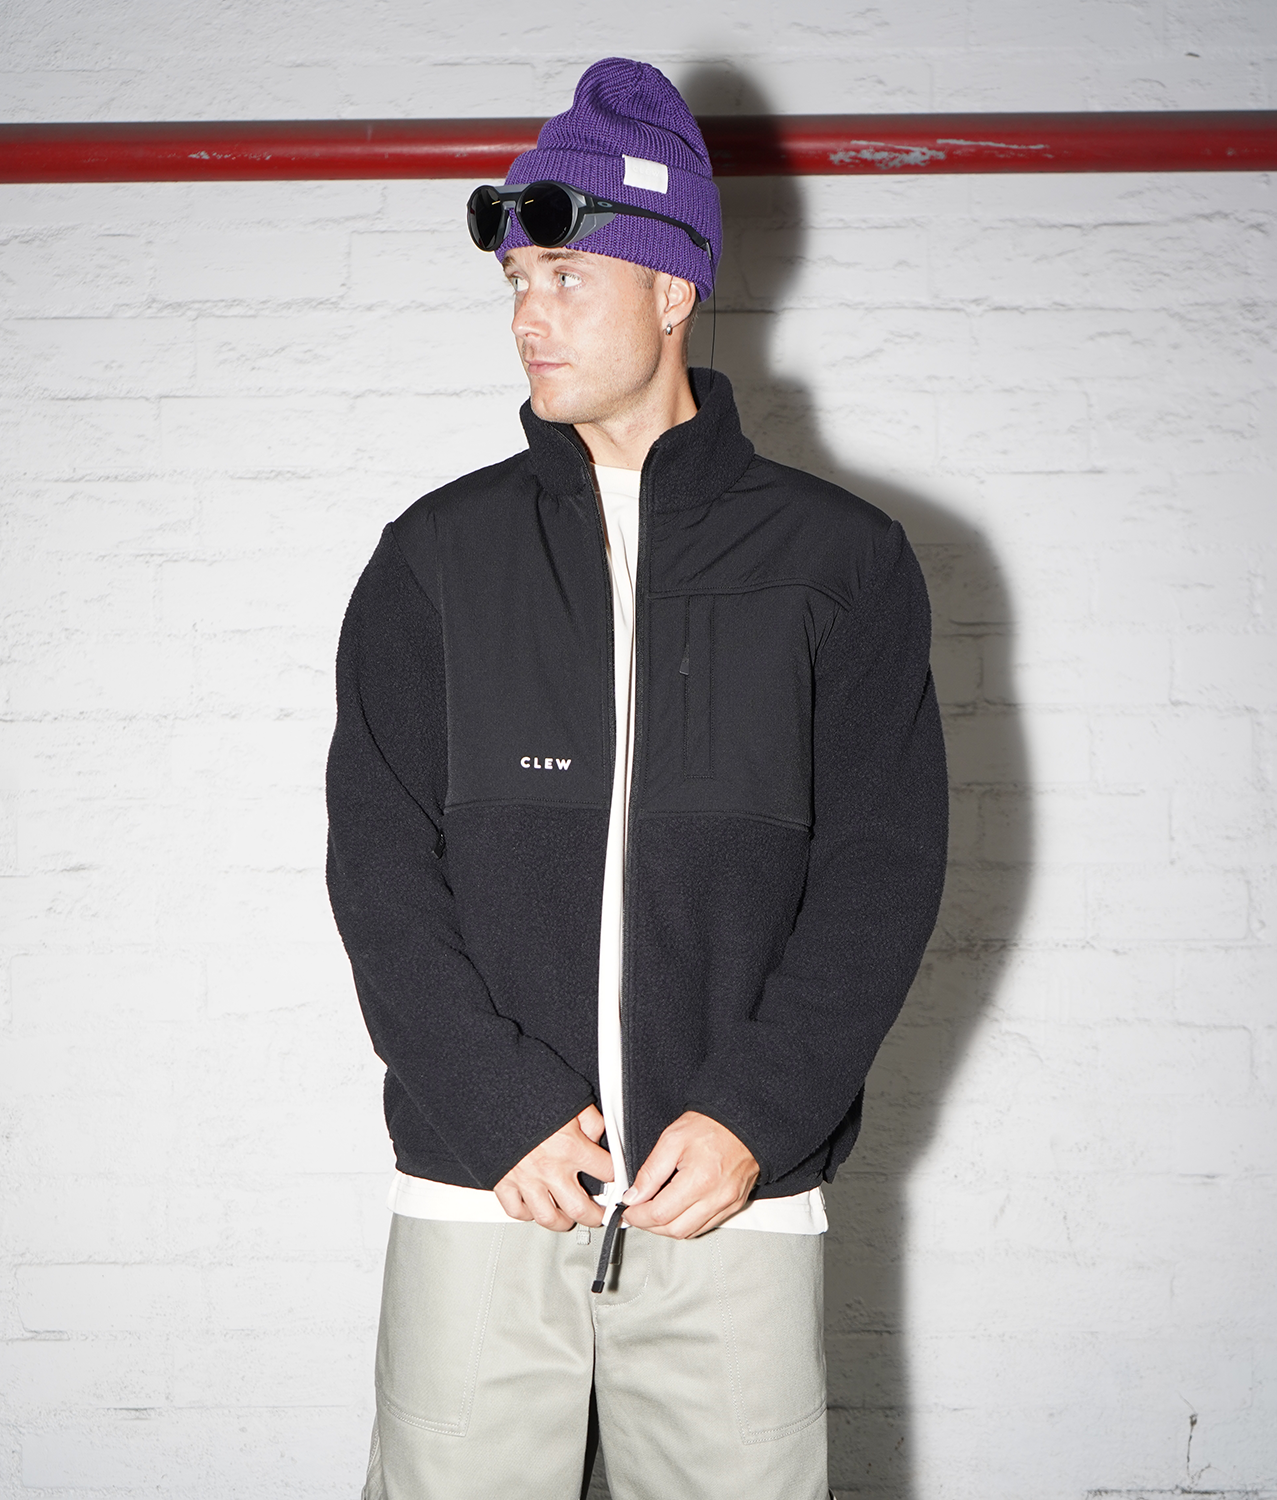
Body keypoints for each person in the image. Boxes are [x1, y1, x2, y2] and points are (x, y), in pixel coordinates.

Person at [326, 56, 947, 1500]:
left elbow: (881, 875)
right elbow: (380, 867)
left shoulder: (839, 565)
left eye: (566, 277)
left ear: (674, 287)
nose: (528, 317)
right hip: (483, 1191)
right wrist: (493, 1102)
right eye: (516, 284)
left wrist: (754, 1117)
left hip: (729, 1199)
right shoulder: (436, 558)